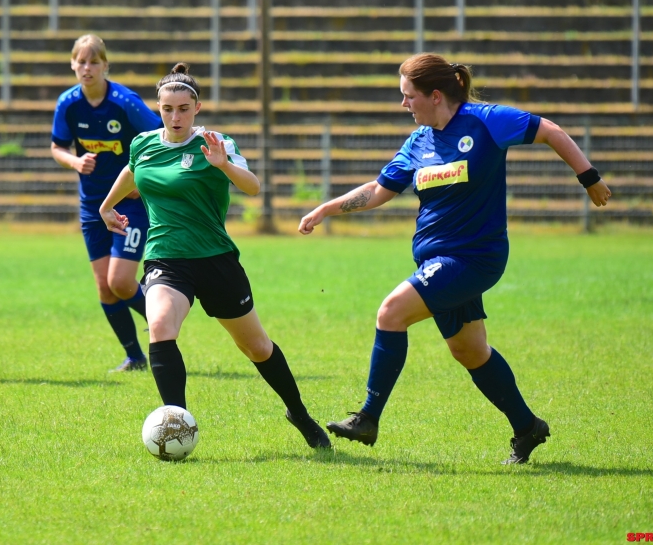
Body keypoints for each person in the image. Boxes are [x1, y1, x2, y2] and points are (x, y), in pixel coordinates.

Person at [299, 52, 611, 464]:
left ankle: (368, 418)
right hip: (436, 261)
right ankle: (527, 427)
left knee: (391, 313)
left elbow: (551, 131)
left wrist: (589, 178)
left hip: (474, 257)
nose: (403, 105)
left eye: (408, 96)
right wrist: (326, 209)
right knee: (470, 350)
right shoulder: (418, 141)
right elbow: (378, 190)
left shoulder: (486, 120)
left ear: (434, 94)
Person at [99, 63, 330, 449]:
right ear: (158, 107)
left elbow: (253, 187)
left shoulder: (215, 142)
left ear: (197, 108)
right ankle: (175, 426)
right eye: (167, 109)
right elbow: (132, 170)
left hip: (216, 260)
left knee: (256, 347)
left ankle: (299, 413)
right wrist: (107, 206)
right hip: (166, 259)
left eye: (184, 109)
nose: (175, 117)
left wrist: (224, 165)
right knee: (159, 325)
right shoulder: (144, 143)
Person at [51, 34, 163, 372]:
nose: (87, 68)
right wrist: (75, 162)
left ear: (105, 66)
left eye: (94, 62)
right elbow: (57, 147)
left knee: (121, 282)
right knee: (105, 287)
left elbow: (160, 138)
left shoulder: (124, 102)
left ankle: (164, 321)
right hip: (91, 206)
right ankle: (135, 356)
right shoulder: (68, 104)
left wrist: (141, 184)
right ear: (73, 65)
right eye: (81, 62)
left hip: (128, 203)